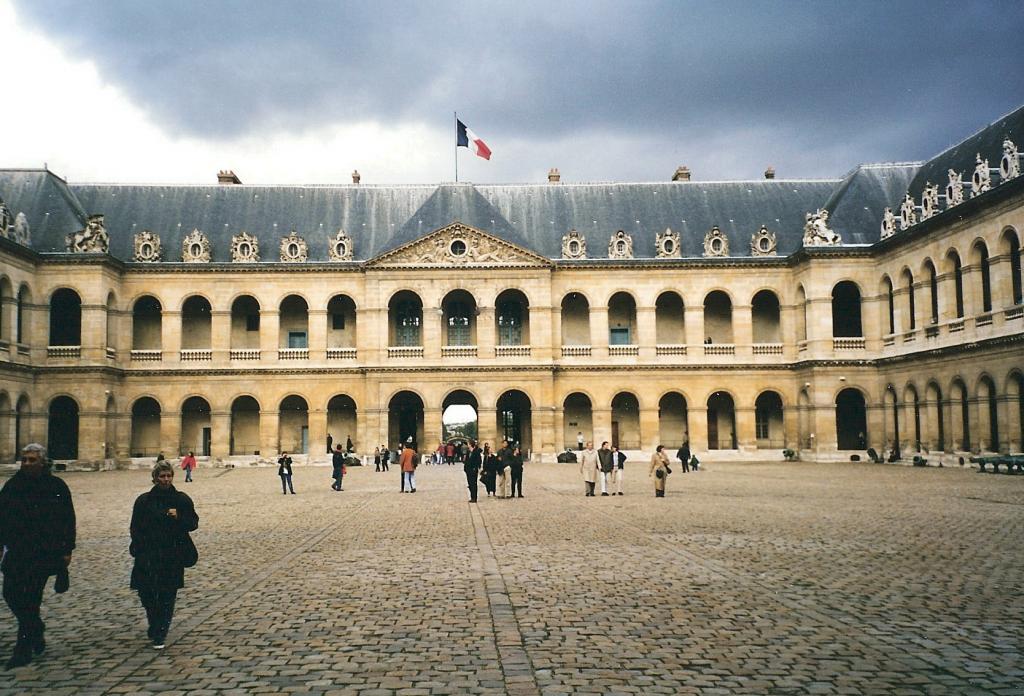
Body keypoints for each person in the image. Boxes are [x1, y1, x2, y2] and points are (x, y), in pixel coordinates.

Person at [0, 443, 76, 669]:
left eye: (32, 460)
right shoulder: (13, 486)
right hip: (17, 551)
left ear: (43, 462)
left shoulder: (56, 485)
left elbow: (67, 519)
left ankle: (22, 651)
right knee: (11, 594)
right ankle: (36, 628)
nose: (26, 464)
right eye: (24, 459)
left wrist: (67, 549)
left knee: (31, 599)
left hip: (44, 552)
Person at [130, 461, 199, 649]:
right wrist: (138, 546)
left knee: (168, 594)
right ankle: (154, 622)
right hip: (148, 554)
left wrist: (179, 517)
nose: (166, 480)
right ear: (154, 478)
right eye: (162, 476)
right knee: (147, 593)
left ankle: (161, 631)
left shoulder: (181, 499)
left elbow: (193, 523)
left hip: (172, 554)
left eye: (168, 476)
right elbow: (135, 527)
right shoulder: (143, 501)